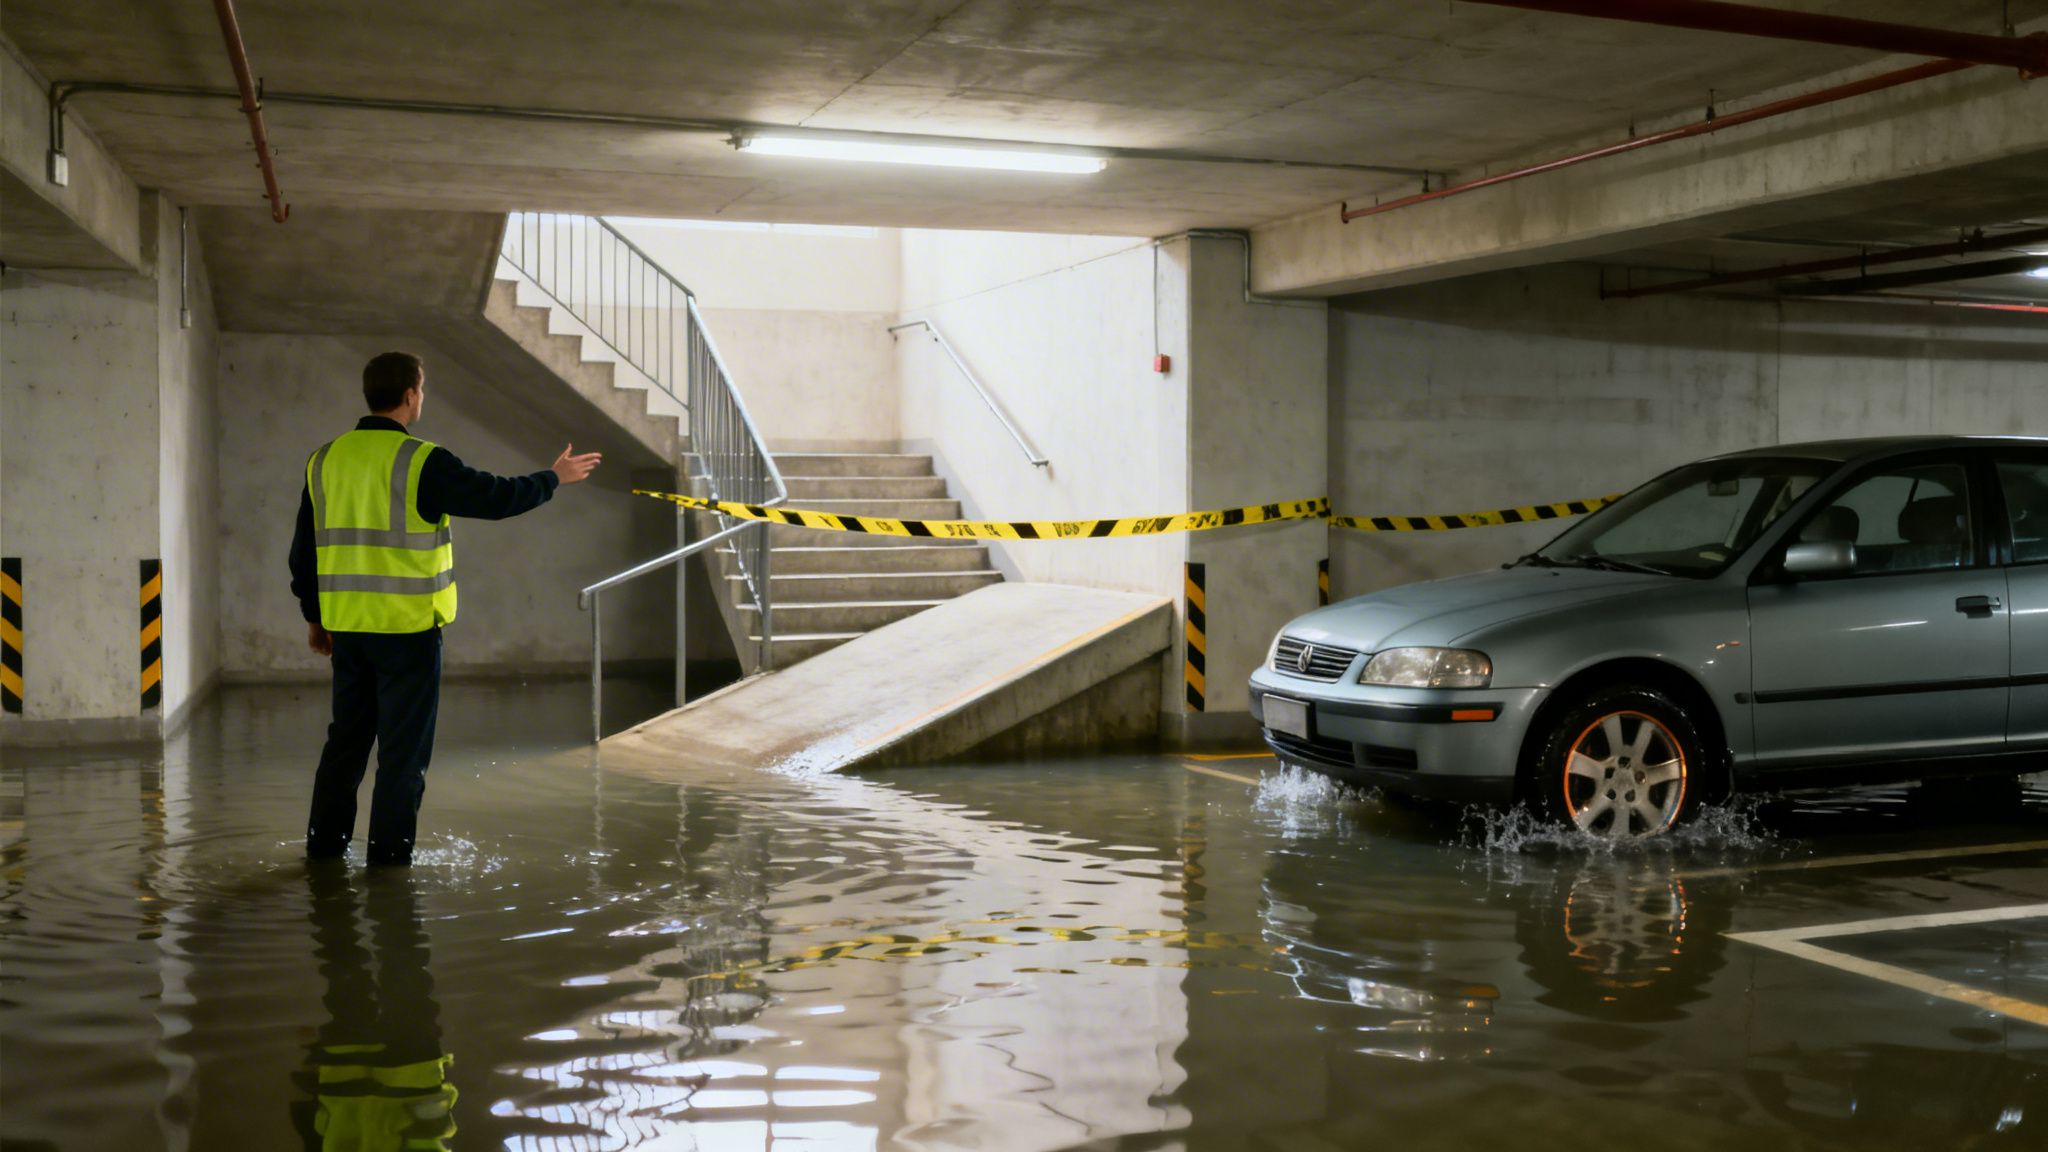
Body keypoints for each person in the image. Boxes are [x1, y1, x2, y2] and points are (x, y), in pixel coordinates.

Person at [290, 351, 601, 866]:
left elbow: (304, 550)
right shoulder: (421, 461)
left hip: (347, 630)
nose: (423, 398)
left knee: (344, 748)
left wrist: (314, 616)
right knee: (401, 758)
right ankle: (388, 870)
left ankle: (323, 856)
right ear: (411, 395)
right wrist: (553, 477)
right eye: (423, 389)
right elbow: (496, 497)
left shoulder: (324, 459)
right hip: (409, 634)